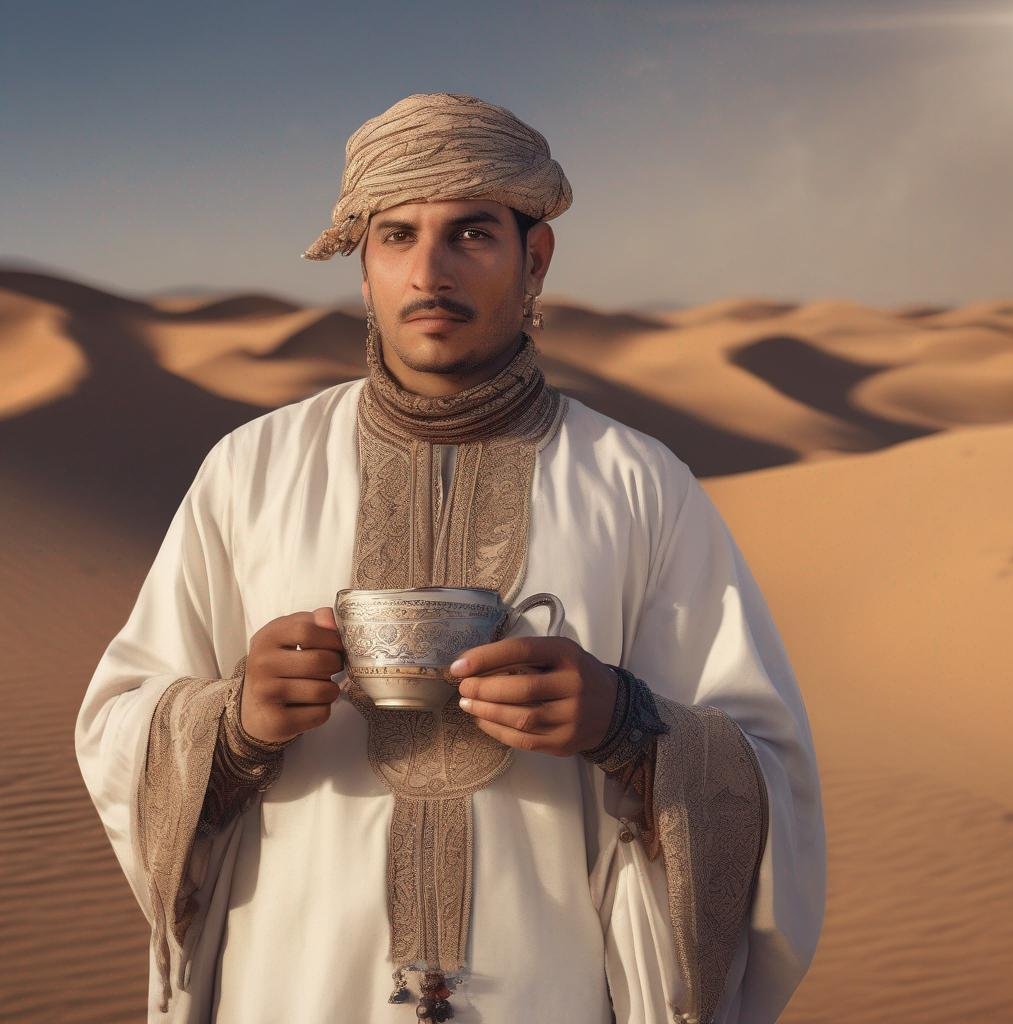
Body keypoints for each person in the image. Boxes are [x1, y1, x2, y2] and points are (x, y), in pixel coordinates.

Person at [74, 92, 826, 1024]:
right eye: (395, 236)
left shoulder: (640, 483)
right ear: (363, 266)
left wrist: (625, 724)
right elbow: (116, 725)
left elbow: (770, 778)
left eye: (470, 233)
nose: (428, 271)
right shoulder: (249, 469)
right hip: (295, 988)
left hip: (551, 992)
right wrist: (232, 721)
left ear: (534, 256)